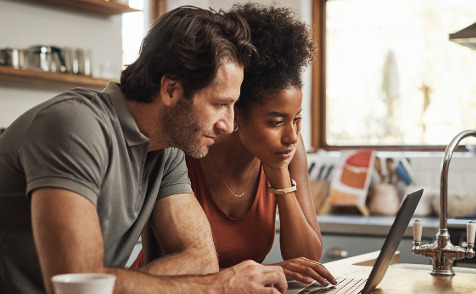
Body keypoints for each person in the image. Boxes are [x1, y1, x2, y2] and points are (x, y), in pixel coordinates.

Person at [0, 5, 288, 294]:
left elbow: (200, 259)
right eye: (219, 104)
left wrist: (118, 284)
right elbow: (78, 283)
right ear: (171, 90)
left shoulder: (167, 150)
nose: (227, 125)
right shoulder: (75, 126)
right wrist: (217, 286)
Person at [134, 2, 336, 287]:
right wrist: (270, 270)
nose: (292, 136)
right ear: (236, 112)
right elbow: (170, 264)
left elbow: (308, 259)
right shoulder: (186, 147)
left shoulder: (287, 150)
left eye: (297, 119)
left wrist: (278, 174)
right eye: (276, 122)